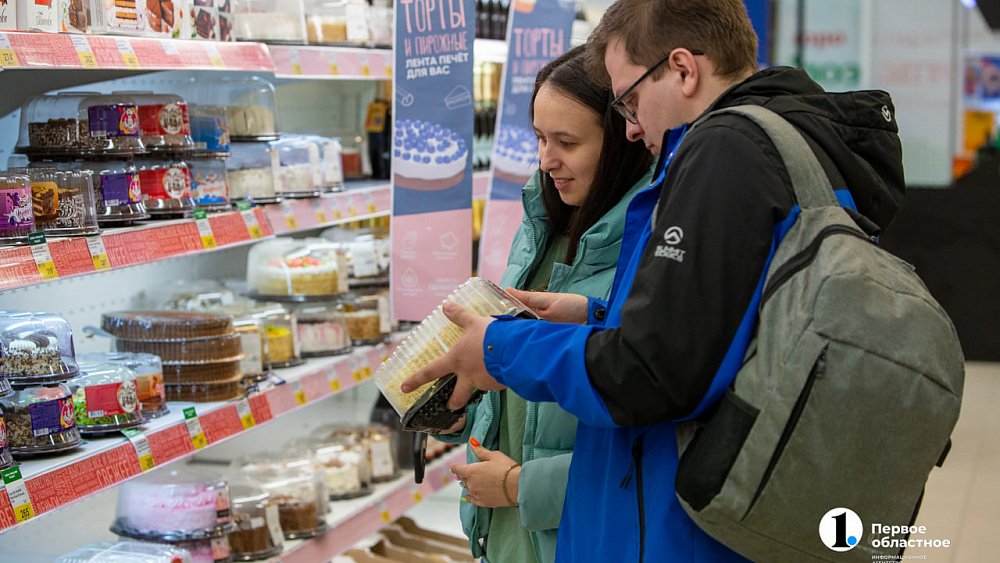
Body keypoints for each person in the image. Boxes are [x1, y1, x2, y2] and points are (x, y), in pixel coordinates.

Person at [402, 0, 906, 561]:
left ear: (685, 70)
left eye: (631, 99)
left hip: (690, 527)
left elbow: (649, 373)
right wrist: (594, 314)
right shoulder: (797, 142)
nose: (631, 124)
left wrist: (499, 348)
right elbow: (726, 332)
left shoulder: (725, 150)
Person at [435, 45, 655, 563]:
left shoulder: (653, 252)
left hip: (580, 538)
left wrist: (520, 486)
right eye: (539, 137)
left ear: (624, 140)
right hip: (504, 539)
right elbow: (518, 398)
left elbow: (651, 441)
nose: (545, 160)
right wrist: (457, 410)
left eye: (567, 142)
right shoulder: (542, 230)